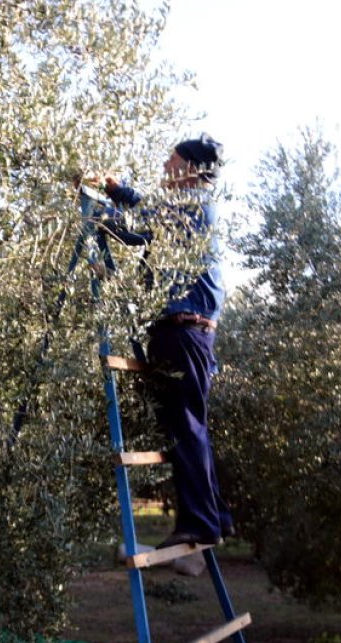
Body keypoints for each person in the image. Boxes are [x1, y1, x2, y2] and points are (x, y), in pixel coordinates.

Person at [98, 133, 234, 549]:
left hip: (183, 333)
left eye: (171, 162)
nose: (164, 168)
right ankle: (216, 517)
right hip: (188, 333)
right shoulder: (191, 206)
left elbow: (133, 231)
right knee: (191, 425)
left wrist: (98, 212)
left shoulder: (187, 205)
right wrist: (118, 191)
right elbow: (146, 214)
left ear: (189, 169)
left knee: (187, 427)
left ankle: (199, 525)